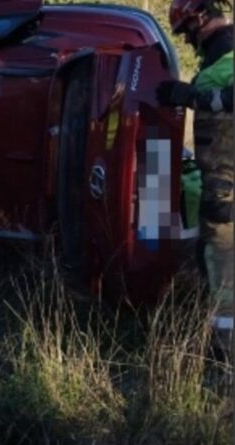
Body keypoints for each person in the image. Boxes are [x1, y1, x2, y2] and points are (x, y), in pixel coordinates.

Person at [156, 0, 233, 347]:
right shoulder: (217, 57)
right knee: (211, 255)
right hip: (218, 180)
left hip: (226, 185)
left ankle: (225, 348)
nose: (187, 40)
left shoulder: (229, 52)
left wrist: (193, 97)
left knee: (222, 258)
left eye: (186, 31)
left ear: (201, 17)